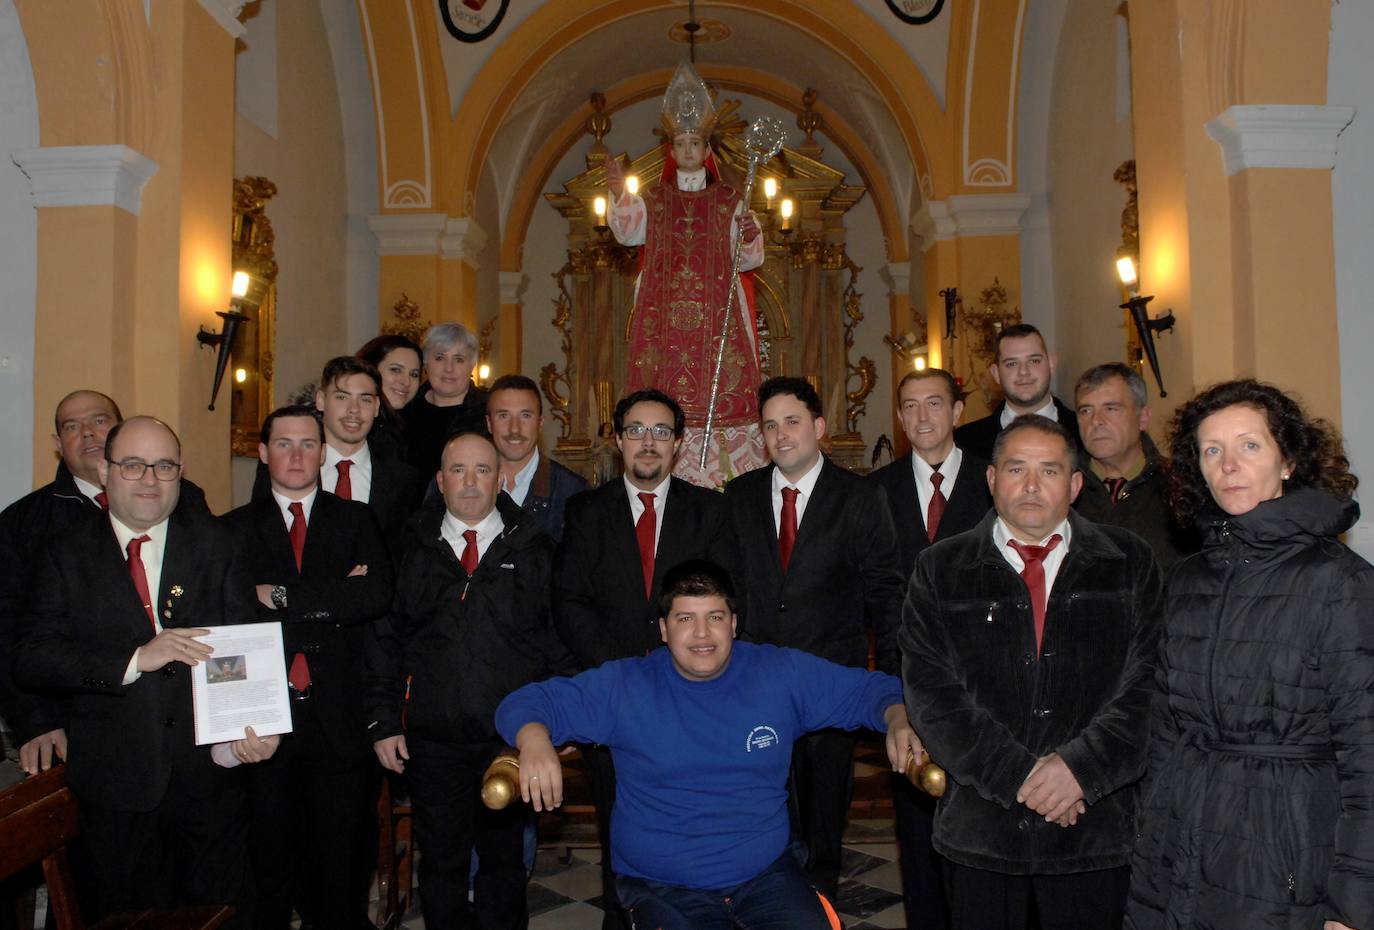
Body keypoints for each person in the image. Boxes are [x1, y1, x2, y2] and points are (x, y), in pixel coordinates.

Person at [498, 559, 918, 930]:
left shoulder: (779, 673)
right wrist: (533, 735)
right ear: (663, 629)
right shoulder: (625, 685)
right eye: (685, 619)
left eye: (715, 617)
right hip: (664, 885)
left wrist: (897, 715)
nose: (702, 634)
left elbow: (871, 691)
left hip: (766, 874)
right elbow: (527, 702)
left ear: (734, 623)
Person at [1125, 380, 1373, 930]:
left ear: (1288, 461)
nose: (1228, 465)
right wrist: (1151, 833)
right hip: (1181, 839)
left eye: (1249, 446)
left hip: (1285, 854)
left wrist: (1353, 907)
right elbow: (1165, 729)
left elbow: (1367, 754)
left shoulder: (1338, 582)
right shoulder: (1189, 578)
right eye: (1212, 450)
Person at [901, 415, 1164, 930]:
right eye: (1016, 469)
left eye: (1049, 471)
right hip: (983, 833)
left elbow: (1151, 686)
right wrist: (1022, 778)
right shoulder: (939, 569)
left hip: (1094, 831)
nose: (1031, 485)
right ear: (992, 479)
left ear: (1075, 484)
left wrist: (1078, 772)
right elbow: (933, 696)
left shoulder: (1129, 562)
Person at [13, 417, 278, 924]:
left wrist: (252, 731)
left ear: (180, 474)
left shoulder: (217, 545)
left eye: (164, 466)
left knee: (218, 916)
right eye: (133, 466)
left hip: (209, 784)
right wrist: (136, 659)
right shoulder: (64, 551)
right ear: (106, 470)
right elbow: (32, 654)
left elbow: (240, 650)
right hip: (116, 787)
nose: (150, 480)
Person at [364, 431, 573, 930]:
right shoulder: (409, 545)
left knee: (504, 865)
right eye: (458, 470)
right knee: (441, 865)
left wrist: (558, 723)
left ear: (500, 479)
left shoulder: (537, 547)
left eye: (482, 470)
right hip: (432, 740)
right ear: (440, 480)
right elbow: (385, 639)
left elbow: (557, 642)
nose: (471, 482)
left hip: (509, 737)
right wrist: (384, 721)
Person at [554, 388, 742, 929]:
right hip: (612, 696)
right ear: (618, 440)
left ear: (679, 443)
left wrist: (675, 668)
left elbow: (725, 599)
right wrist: (623, 672)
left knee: (690, 820)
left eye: (661, 431)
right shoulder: (586, 511)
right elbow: (569, 600)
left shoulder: (710, 510)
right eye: (636, 430)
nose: (648, 442)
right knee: (620, 824)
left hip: (691, 697)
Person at [724, 376, 905, 898]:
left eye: (793, 422)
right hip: (756, 684)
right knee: (763, 806)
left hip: (832, 684)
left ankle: (818, 904)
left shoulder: (861, 497)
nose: (782, 435)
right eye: (771, 425)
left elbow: (885, 596)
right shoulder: (739, 497)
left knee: (824, 810)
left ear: (819, 427)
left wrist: (892, 687)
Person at [221, 405, 393, 930]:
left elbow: (373, 596)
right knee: (267, 857)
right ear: (263, 451)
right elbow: (229, 616)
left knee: (340, 858)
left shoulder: (356, 518)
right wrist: (333, 595)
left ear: (323, 452)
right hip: (262, 714)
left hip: (341, 715)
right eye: (284, 444)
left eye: (308, 444)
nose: (296, 456)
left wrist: (275, 596)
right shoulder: (230, 530)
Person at [868, 367, 991, 930]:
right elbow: (876, 589)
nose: (922, 417)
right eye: (910, 406)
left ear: (958, 412)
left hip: (986, 685)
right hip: (911, 680)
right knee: (919, 825)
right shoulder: (879, 490)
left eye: (934, 404)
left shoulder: (993, 483)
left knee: (986, 822)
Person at [606, 61, 765, 486]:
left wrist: (748, 234)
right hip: (665, 319)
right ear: (672, 150)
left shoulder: (730, 198)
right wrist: (619, 193)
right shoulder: (654, 198)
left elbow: (748, 258)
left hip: (717, 323)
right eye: (682, 143)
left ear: (706, 148)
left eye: (696, 142)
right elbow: (627, 231)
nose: (690, 150)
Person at [1072, 362, 1194, 573]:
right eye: (1086, 410)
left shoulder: (1180, 486)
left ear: (1143, 417)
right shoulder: (1060, 489)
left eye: (1111, 408)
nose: (1096, 421)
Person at [953, 323, 1082, 462]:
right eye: (1012, 364)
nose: (1023, 372)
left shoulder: (1085, 434)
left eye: (1034, 361)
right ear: (996, 373)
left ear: (1051, 364)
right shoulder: (963, 445)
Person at [486, 373, 587, 543]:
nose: (515, 428)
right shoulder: (461, 483)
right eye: (503, 415)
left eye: (525, 415)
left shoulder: (574, 493)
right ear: (489, 423)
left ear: (540, 423)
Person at [404, 323, 488, 483]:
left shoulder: (487, 413)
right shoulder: (405, 410)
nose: (449, 368)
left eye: (459, 359)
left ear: (472, 366)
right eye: (440, 358)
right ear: (426, 364)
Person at [356, 333, 423, 461]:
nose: (406, 382)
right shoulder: (352, 424)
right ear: (371, 369)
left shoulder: (419, 431)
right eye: (396, 370)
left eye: (414, 375)